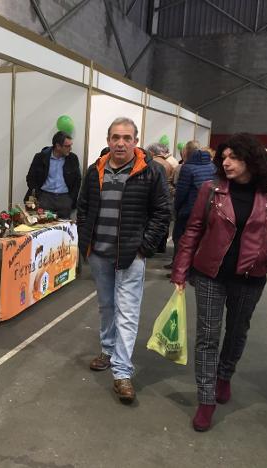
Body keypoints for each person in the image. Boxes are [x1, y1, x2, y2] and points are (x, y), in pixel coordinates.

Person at [171, 133, 267, 432]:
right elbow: (193, 230)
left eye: (234, 157)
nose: (226, 162)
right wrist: (180, 269)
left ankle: (224, 376)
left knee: (236, 332)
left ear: (251, 160)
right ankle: (205, 399)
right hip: (210, 274)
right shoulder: (211, 189)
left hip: (250, 276)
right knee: (207, 336)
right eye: (224, 157)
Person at [77, 117, 170, 403]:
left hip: (131, 255)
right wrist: (86, 241)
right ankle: (107, 350)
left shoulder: (151, 172)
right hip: (99, 253)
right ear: (108, 140)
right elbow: (83, 207)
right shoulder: (95, 171)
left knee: (127, 312)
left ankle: (122, 372)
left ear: (136, 141)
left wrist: (144, 247)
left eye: (127, 138)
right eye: (115, 137)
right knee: (107, 306)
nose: (120, 143)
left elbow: (162, 212)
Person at [25, 131, 82, 219]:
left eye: (71, 145)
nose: (70, 148)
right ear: (58, 146)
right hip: (44, 198)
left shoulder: (73, 158)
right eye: (67, 146)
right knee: (43, 227)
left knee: (63, 229)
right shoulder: (40, 157)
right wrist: (39, 195)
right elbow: (30, 178)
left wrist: (70, 199)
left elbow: (77, 181)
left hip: (64, 199)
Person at [173, 145, 216, 251]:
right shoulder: (213, 167)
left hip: (188, 209)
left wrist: (177, 208)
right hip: (208, 209)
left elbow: (181, 191)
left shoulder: (187, 168)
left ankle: (178, 263)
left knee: (180, 237)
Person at [147, 142, 175, 254]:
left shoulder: (152, 164)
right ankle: (161, 246)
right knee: (164, 222)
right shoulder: (169, 164)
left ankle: (152, 246)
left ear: (152, 152)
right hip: (166, 195)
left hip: (153, 196)